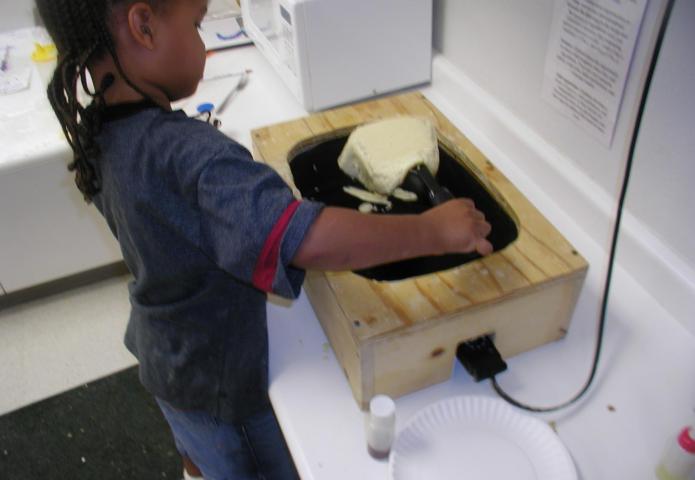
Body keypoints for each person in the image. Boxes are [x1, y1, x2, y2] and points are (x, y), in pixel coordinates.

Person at [35, 1, 493, 479]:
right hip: (224, 388)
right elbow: (307, 240)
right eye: (196, 25)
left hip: (168, 358)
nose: (204, 44)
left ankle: (199, 463)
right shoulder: (185, 154)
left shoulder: (105, 129)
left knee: (203, 448)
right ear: (144, 26)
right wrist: (432, 230)